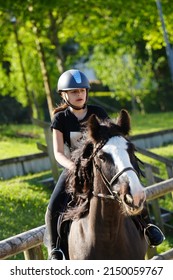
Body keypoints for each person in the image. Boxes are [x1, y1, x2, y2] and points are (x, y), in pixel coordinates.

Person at [45, 69, 164, 260]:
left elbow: (111, 139)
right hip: (74, 170)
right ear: (64, 95)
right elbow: (58, 152)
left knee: (131, 186)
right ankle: (55, 248)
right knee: (53, 206)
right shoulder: (60, 119)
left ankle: (148, 226)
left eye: (82, 91)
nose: (79, 95)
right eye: (74, 92)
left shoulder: (97, 112)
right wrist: (74, 168)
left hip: (102, 166)